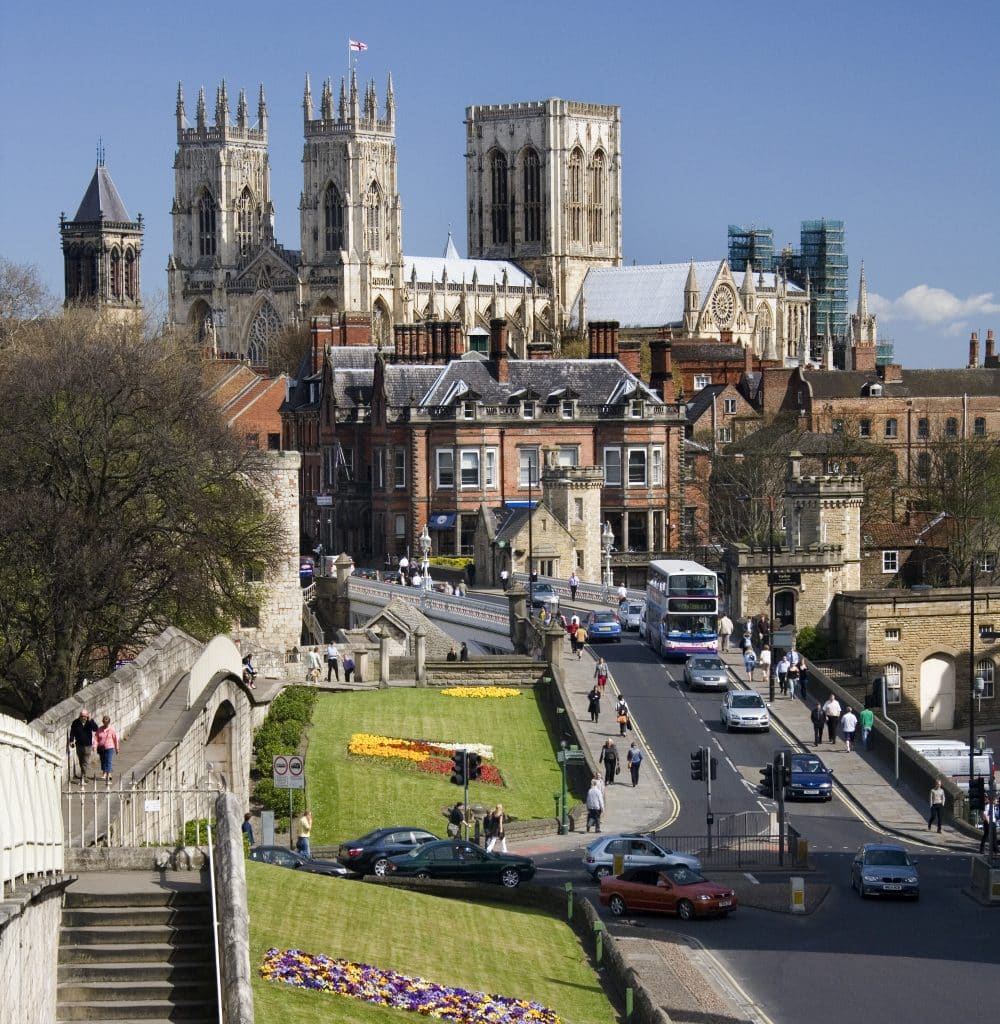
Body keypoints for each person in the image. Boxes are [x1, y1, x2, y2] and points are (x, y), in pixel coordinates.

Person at [68, 709, 99, 782]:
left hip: (88, 745)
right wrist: (71, 740)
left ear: (87, 716)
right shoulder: (76, 722)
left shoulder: (89, 722)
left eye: (85, 716)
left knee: (85, 761)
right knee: (81, 760)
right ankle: (83, 774)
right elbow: (72, 732)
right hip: (79, 744)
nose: (83, 718)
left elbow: (96, 729)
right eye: (82, 716)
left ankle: (83, 776)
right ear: (80, 716)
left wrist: (91, 720)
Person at [95, 714, 120, 782]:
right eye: (104, 722)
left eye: (106, 722)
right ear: (102, 722)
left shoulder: (111, 730)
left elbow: (115, 739)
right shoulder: (99, 729)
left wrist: (117, 748)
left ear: (109, 722)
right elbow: (96, 738)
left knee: (108, 760)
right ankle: (104, 773)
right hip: (101, 748)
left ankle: (108, 774)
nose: (105, 724)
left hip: (110, 747)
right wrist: (94, 746)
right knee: (103, 761)